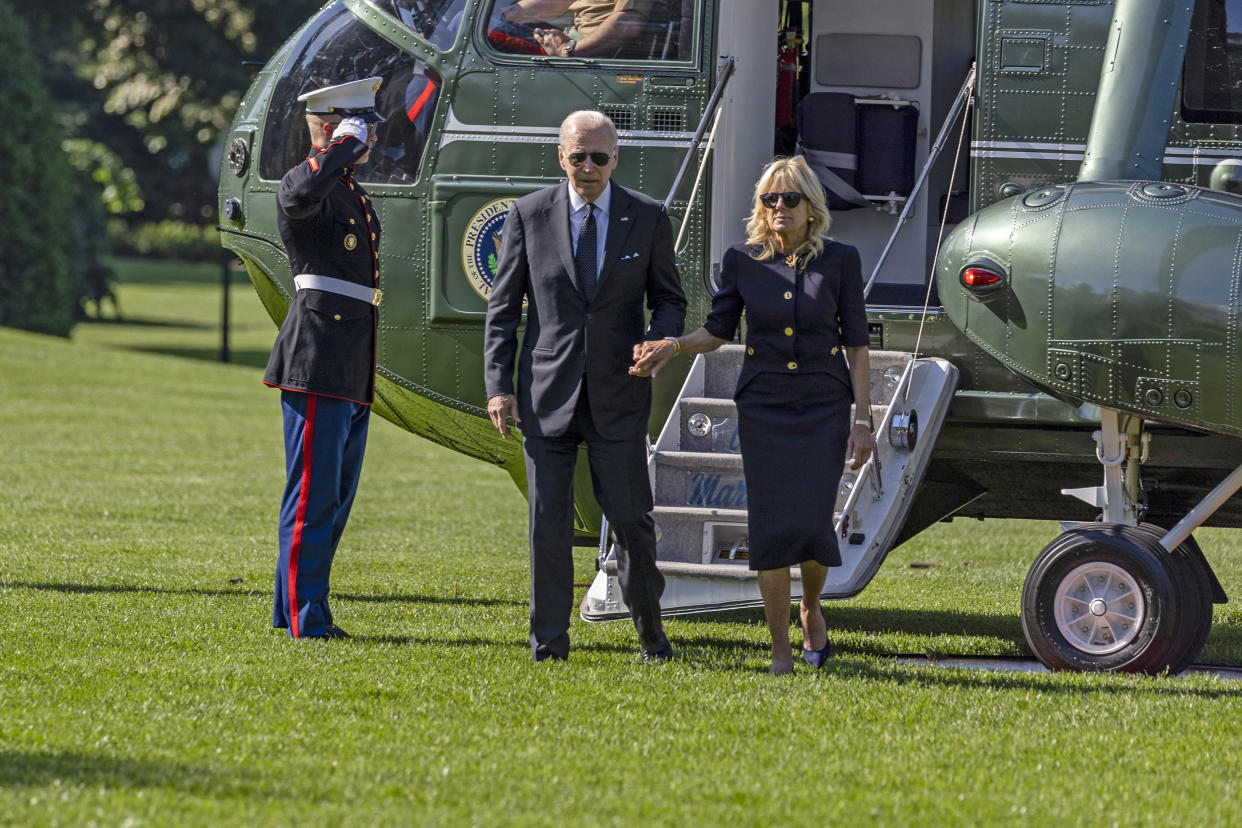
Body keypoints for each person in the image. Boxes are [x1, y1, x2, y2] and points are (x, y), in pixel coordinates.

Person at [631, 156, 875, 674]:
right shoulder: (741, 260)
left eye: (790, 199)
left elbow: (856, 346)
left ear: (812, 207)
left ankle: (810, 605)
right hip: (764, 406)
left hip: (824, 405)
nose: (779, 208)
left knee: (810, 522)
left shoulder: (841, 260)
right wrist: (672, 344)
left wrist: (863, 420)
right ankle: (780, 650)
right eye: (770, 199)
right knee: (770, 525)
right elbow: (717, 331)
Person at [484, 110, 686, 662]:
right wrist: (498, 387)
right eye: (579, 157)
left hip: (619, 395)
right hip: (545, 395)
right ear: (561, 156)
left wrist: (662, 338)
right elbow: (502, 312)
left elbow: (670, 298)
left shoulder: (646, 217)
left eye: (600, 157)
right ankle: (548, 644)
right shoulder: (528, 215)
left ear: (616, 157)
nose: (589, 167)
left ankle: (651, 636)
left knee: (631, 524)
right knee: (546, 527)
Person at [263, 77, 385, 640]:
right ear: (331, 125)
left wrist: (341, 157)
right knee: (312, 493)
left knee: (334, 495)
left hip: (349, 357)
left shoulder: (347, 190)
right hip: (318, 354)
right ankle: (304, 618)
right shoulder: (309, 184)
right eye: (360, 125)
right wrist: (336, 149)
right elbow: (294, 196)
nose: (370, 136)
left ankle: (298, 609)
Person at [499, 0, 664, 58]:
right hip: (572, 41)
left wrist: (568, 50)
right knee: (498, 30)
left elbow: (628, 24)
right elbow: (558, 3)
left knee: (494, 41)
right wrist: (507, 12)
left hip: (590, 54)